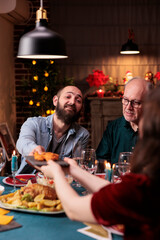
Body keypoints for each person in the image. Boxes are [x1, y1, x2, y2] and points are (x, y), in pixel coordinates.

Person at [41, 86, 160, 240]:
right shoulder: (144, 185)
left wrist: (57, 173)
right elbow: (116, 193)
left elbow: (73, 209)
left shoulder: (142, 189)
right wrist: (74, 170)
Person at [16, 86, 90, 174]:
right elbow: (22, 142)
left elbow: (75, 167)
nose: (72, 102)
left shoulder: (82, 134)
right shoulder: (34, 123)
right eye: (68, 97)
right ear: (55, 101)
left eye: (78, 101)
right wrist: (34, 149)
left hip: (62, 182)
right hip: (28, 182)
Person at [96, 77, 153, 165]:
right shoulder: (113, 128)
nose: (128, 107)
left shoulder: (155, 129)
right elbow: (100, 160)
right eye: (125, 100)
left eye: (136, 102)